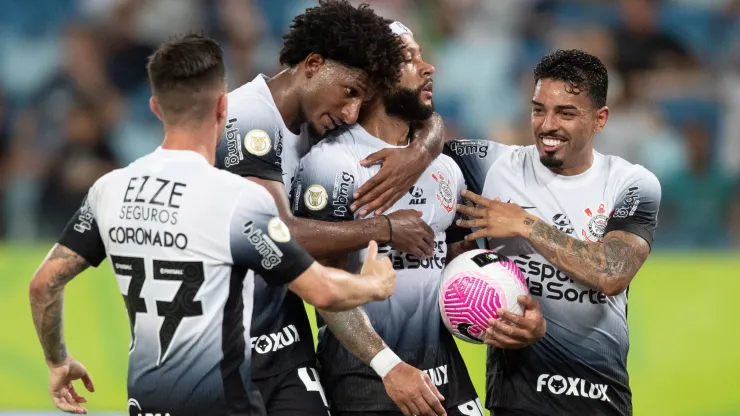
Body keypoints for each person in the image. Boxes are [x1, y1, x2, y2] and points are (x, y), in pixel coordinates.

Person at [28, 34, 396, 416]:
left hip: (148, 400)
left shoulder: (109, 189)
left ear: (156, 108)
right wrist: (373, 283)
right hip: (222, 402)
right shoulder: (237, 200)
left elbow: (43, 284)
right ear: (223, 107)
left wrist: (58, 361)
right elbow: (321, 291)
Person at [214, 2, 446, 414]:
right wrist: (383, 228)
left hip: (283, 333)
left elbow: (412, 110)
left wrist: (421, 151)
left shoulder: (311, 120)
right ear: (313, 63)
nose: (352, 113)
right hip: (222, 341)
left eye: (363, 98)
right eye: (350, 93)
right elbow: (275, 231)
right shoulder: (250, 116)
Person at [291, 25, 518, 416]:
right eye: (410, 59)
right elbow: (323, 286)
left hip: (444, 373)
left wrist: (499, 296)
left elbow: (452, 263)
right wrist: (388, 367)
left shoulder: (445, 168)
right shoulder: (332, 164)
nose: (428, 67)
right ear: (374, 76)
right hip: (367, 378)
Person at [455, 49, 661, 416]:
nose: (547, 125)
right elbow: (422, 143)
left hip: (601, 397)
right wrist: (417, 151)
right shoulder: (493, 165)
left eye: (566, 113)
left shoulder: (631, 183)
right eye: (539, 109)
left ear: (600, 119)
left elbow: (612, 272)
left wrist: (525, 223)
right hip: (515, 397)